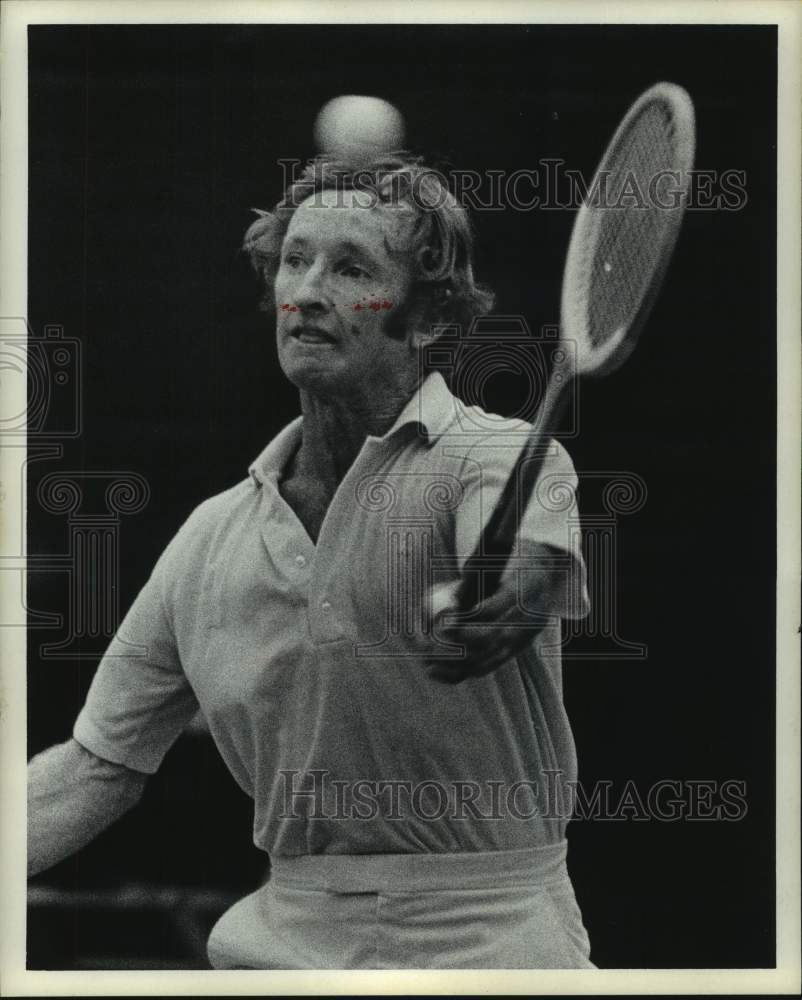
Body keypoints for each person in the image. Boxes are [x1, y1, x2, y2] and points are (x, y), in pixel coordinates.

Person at [28, 154, 594, 969]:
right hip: (286, 937)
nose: (307, 292)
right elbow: (96, 767)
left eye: (352, 268)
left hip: (493, 934)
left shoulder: (498, 457)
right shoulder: (209, 537)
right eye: (295, 261)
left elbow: (527, 579)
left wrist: (498, 607)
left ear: (428, 317)